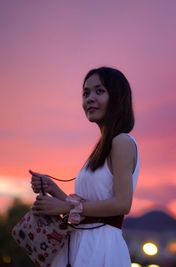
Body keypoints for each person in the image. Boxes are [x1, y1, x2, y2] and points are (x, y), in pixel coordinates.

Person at [30, 66, 139, 267]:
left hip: (102, 245)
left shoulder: (122, 141)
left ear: (117, 97)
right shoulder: (101, 148)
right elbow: (89, 207)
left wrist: (65, 206)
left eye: (99, 91)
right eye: (86, 93)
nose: (89, 98)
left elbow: (123, 203)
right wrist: (54, 190)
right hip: (82, 243)